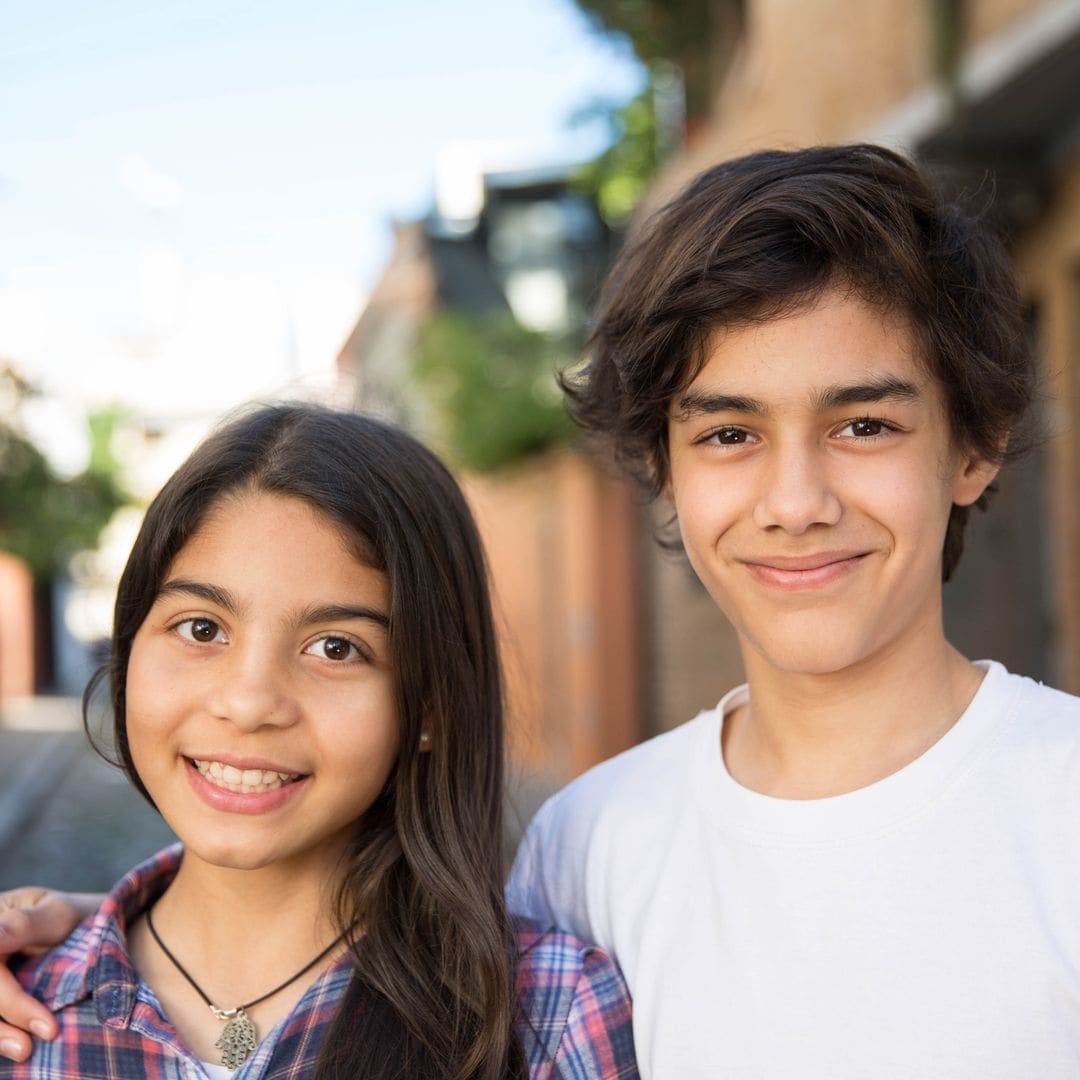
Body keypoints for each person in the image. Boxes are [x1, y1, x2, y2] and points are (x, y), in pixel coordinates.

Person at [4, 142, 1080, 1077]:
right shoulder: (588, 852)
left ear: (975, 446)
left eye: (864, 427)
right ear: (664, 468)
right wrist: (66, 937)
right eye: (728, 434)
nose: (795, 503)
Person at [0, 404, 637, 1078]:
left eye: (336, 647)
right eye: (201, 628)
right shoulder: (26, 1012)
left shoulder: (550, 1017)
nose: (248, 703)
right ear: (129, 651)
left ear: (431, 707)